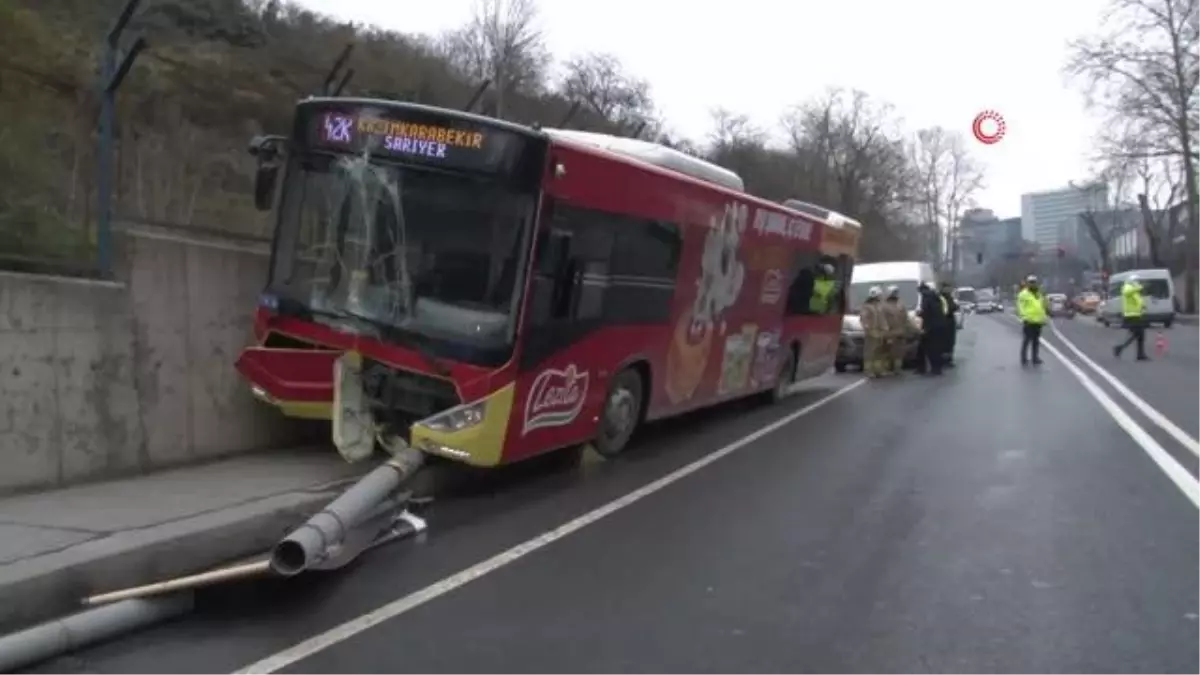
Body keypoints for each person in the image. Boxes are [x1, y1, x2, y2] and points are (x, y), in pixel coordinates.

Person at [1113, 273, 1150, 361]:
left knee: (1139, 335)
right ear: (1133, 281)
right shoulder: (1127, 287)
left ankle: (1139, 354)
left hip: (1136, 315)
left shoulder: (1134, 290)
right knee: (1137, 334)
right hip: (1131, 316)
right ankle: (1120, 348)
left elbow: (1137, 300)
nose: (1139, 283)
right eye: (1137, 281)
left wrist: (1142, 306)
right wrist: (1139, 287)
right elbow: (1127, 293)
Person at [916, 281, 947, 375]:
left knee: (926, 348)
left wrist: (920, 314)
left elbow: (926, 311)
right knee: (936, 348)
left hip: (930, 327)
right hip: (940, 325)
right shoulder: (936, 297)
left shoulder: (926, 298)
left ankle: (926, 368)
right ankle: (937, 368)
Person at [1017, 274, 1048, 365]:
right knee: (1026, 340)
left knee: (1036, 341)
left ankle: (1035, 358)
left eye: (1034, 282)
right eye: (1031, 282)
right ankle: (1023, 358)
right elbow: (1020, 307)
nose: (1032, 284)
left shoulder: (1039, 293)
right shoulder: (1023, 294)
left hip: (1038, 321)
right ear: (1027, 283)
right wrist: (1024, 317)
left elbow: (1042, 307)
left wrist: (1044, 318)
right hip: (1029, 321)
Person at [859, 286, 887, 378]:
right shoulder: (867, 307)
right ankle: (868, 370)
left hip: (880, 332)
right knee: (870, 352)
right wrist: (868, 329)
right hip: (871, 332)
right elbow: (864, 319)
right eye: (879, 295)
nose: (880, 297)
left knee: (879, 352)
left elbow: (882, 319)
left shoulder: (879, 306)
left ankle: (878, 370)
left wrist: (885, 329)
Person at [881, 285, 909, 375]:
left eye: (896, 292)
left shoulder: (900, 304)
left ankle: (896, 369)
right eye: (893, 292)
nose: (895, 294)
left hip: (898, 332)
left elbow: (906, 319)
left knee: (898, 353)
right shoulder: (884, 305)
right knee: (888, 352)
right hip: (890, 332)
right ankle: (888, 368)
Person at [939, 282, 959, 368]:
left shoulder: (948, 297)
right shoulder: (942, 298)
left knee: (950, 342)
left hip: (949, 322)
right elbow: (949, 309)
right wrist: (954, 307)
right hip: (946, 322)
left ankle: (948, 359)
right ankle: (946, 360)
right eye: (948, 288)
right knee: (946, 342)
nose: (949, 290)